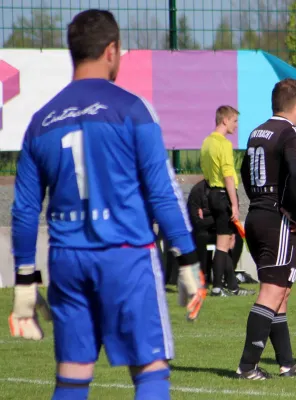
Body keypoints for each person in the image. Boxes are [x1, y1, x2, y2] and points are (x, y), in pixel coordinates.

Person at [8, 9, 202, 399]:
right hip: (125, 256)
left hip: (66, 260)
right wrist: (188, 259)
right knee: (150, 370)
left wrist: (25, 280)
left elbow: (25, 210)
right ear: (112, 50)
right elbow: (162, 192)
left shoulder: (41, 121)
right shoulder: (132, 109)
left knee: (73, 375)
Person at [235, 78, 296, 380]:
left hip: (257, 214)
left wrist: (257, 199)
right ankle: (247, 365)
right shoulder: (291, 132)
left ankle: (287, 363)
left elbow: (244, 170)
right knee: (272, 290)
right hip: (277, 218)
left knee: (281, 291)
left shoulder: (258, 131)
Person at [200, 106, 255, 297]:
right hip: (223, 194)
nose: (236, 125)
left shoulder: (206, 142)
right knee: (223, 244)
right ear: (224, 120)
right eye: (234, 121)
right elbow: (228, 176)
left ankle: (232, 286)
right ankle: (217, 286)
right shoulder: (224, 144)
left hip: (211, 193)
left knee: (226, 240)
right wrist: (234, 204)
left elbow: (206, 173)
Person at [186, 178, 251, 286]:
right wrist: (219, 218)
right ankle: (203, 275)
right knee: (201, 237)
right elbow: (196, 220)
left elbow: (232, 217)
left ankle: (228, 276)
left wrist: (209, 216)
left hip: (222, 229)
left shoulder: (229, 192)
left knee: (237, 238)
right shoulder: (197, 191)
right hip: (204, 231)